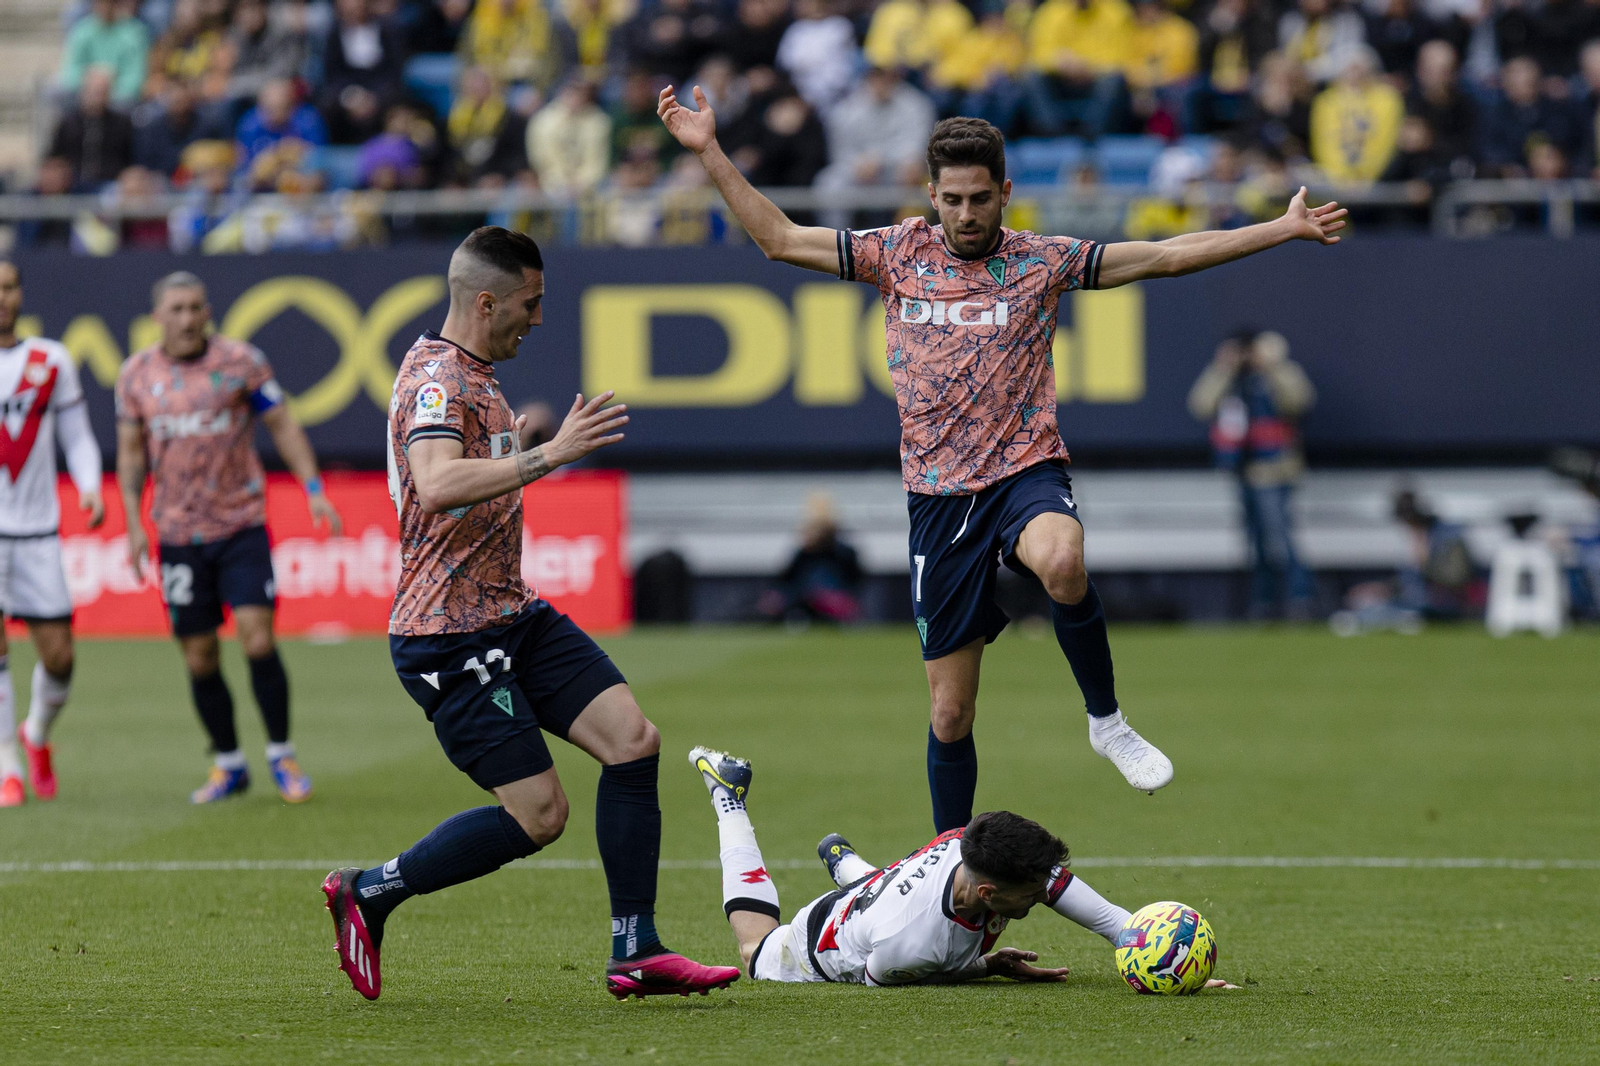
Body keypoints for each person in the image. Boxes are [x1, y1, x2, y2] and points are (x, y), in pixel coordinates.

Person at [659, 99, 1346, 827]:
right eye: (951, 199)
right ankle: (945, 877)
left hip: (1025, 472)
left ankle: (1107, 721)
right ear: (930, 196)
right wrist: (707, 149)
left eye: (980, 198)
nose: (966, 213)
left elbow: (1167, 256)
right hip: (938, 501)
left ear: (1005, 193)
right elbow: (777, 238)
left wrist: (1284, 226)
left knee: (1062, 559)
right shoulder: (895, 254)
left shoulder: (1040, 263)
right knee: (951, 714)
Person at [320, 227, 741, 1003]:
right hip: (447, 632)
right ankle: (370, 891)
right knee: (541, 814)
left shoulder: (473, 373)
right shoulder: (439, 379)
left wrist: (528, 442)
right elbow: (439, 483)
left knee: (632, 741)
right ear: (487, 302)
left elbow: (469, 478)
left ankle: (636, 949)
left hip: (511, 614)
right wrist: (551, 455)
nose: (539, 318)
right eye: (529, 303)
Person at [687, 747, 1238, 988]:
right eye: (1030, 894)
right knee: (754, 948)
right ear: (991, 891)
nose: (1041, 897)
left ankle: (850, 867)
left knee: (883, 890)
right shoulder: (920, 943)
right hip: (824, 945)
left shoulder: (971, 843)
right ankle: (728, 797)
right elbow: (883, 975)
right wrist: (986, 968)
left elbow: (1077, 901)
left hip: (891, 896)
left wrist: (1144, 944)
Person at [114, 272, 342, 804]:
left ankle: (281, 753)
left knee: (257, 640)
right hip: (175, 533)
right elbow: (130, 455)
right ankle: (229, 764)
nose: (188, 318)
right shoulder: (135, 375)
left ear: (208, 310)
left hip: (240, 524)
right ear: (158, 317)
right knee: (199, 657)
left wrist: (313, 488)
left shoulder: (242, 362)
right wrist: (132, 521)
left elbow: (283, 424)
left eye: (196, 307)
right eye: (177, 309)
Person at [0, 260, 105, 807]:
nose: (2, 297)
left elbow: (78, 436)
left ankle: (35, 733)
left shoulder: (50, 359)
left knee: (60, 657)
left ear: (21, 293)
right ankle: (5, 767)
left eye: (9, 286)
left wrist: (89, 486)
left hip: (38, 531)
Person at [1187, 329, 1316, 619]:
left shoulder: (1276, 373)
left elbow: (1300, 401)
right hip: (1243, 471)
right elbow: (1201, 405)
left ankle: (1301, 599)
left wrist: (1272, 365)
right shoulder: (1231, 378)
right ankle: (1264, 603)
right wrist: (1222, 369)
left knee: (1280, 538)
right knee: (1255, 543)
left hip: (1275, 471)